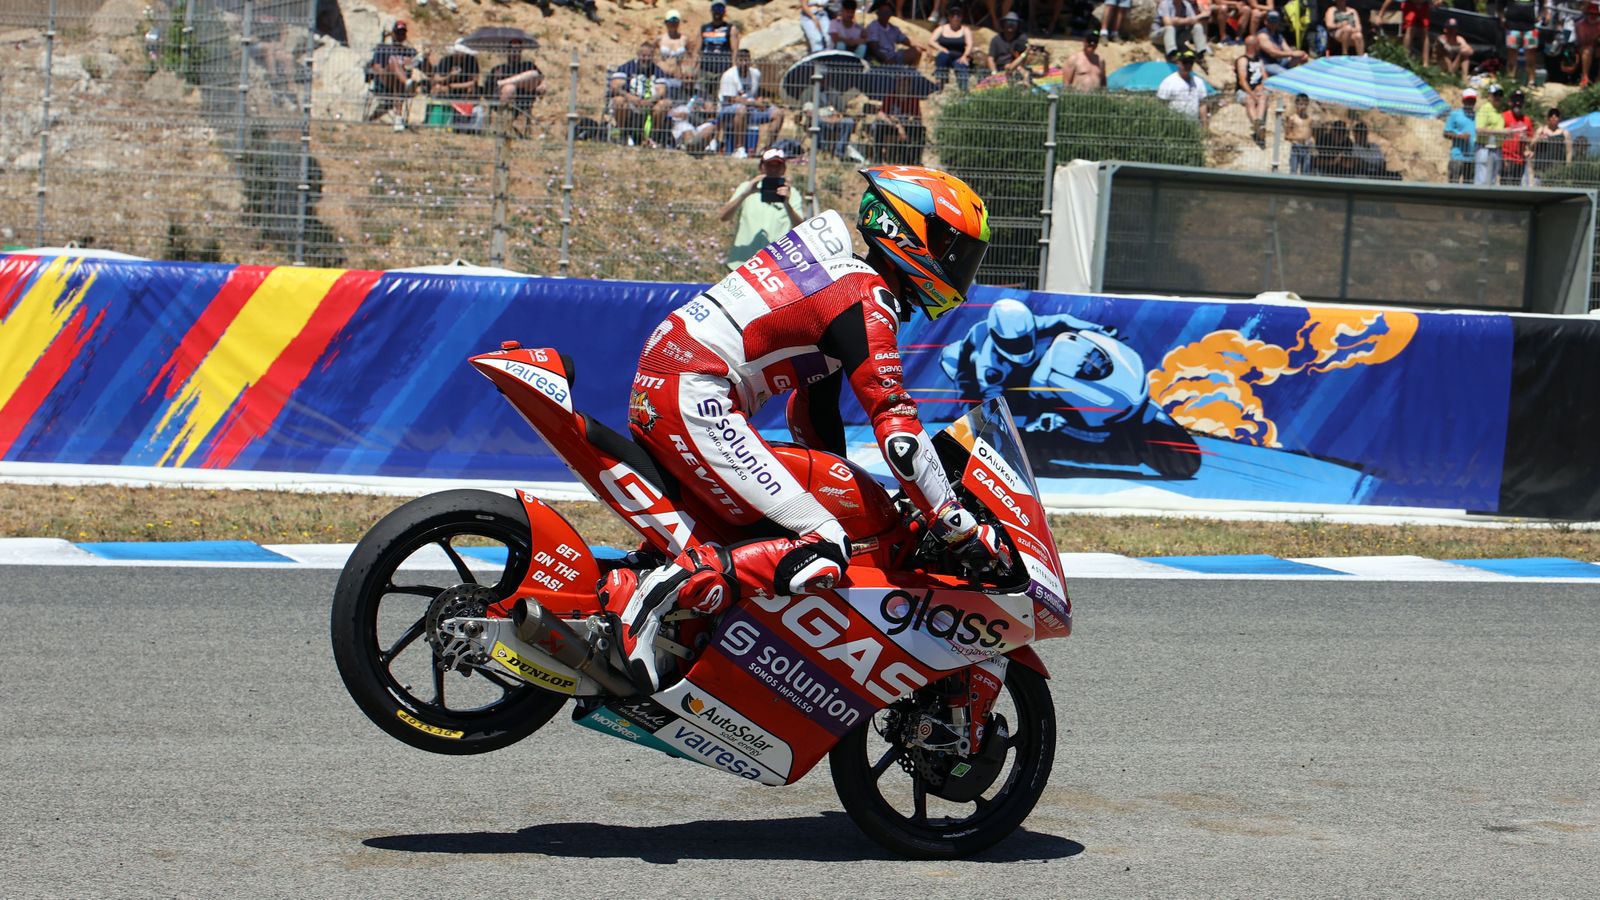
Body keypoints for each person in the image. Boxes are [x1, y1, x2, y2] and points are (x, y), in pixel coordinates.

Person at [606, 166, 1008, 693]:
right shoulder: (865, 297)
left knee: (769, 531)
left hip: (677, 380)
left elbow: (812, 414)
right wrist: (954, 521)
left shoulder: (838, 279)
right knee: (824, 545)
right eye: (955, 252)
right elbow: (899, 430)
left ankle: (649, 586)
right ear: (910, 232)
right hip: (694, 391)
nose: (960, 270)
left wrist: (855, 497)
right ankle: (656, 597)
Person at [939, 298, 1107, 404]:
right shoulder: (988, 365)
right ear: (996, 338)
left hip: (1020, 370)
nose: (1019, 348)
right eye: (1012, 344)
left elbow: (1064, 320)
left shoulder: (1034, 323)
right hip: (972, 368)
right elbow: (992, 399)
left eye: (1023, 341)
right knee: (969, 393)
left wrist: (1100, 329)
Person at [721, 147, 806, 267]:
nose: (773, 170)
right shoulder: (747, 187)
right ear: (761, 167)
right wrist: (745, 194)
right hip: (742, 264)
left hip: (774, 267)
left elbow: (801, 229)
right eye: (769, 165)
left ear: (784, 169)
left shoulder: (793, 194)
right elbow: (724, 217)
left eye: (778, 166)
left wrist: (787, 204)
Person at [718, 48, 787, 158]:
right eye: (741, 60)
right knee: (741, 110)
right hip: (729, 110)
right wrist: (754, 103)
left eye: (746, 60)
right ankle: (739, 148)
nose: (744, 63)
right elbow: (731, 99)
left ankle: (768, 149)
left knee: (778, 113)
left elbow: (757, 93)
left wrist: (761, 100)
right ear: (736, 61)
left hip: (751, 109)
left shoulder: (756, 74)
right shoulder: (729, 75)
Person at [610, 41, 672, 146]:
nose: (646, 59)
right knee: (619, 101)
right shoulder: (626, 67)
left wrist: (649, 101)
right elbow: (615, 86)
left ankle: (652, 137)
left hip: (649, 104)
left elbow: (662, 91)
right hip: (630, 102)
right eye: (643, 55)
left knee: (664, 104)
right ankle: (623, 133)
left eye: (649, 56)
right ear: (638, 54)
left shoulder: (658, 71)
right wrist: (631, 98)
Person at [366, 20, 420, 127]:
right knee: (394, 62)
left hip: (399, 84)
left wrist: (419, 59)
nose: (400, 36)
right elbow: (376, 67)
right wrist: (386, 72)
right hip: (385, 80)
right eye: (398, 33)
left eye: (402, 33)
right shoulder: (383, 48)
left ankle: (398, 119)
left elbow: (422, 65)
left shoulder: (409, 51)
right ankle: (407, 82)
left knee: (398, 83)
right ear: (393, 34)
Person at [487, 41, 543, 116]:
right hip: (502, 99)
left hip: (523, 98)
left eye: (518, 50)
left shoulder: (528, 66)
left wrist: (542, 85)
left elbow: (541, 79)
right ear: (508, 51)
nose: (515, 53)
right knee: (510, 88)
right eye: (513, 50)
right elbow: (490, 89)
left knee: (533, 73)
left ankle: (503, 83)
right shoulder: (499, 69)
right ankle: (504, 116)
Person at [929, 5, 975, 91]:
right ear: (949, 17)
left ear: (961, 17)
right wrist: (941, 48)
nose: (955, 17)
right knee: (942, 57)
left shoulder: (965, 29)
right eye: (953, 15)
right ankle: (940, 82)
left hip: (959, 55)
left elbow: (969, 44)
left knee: (961, 65)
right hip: (945, 54)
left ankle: (963, 89)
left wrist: (965, 56)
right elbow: (931, 41)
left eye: (958, 15)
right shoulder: (942, 28)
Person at [1157, 48, 1208, 123]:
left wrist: (1205, 124)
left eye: (1191, 62)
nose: (1188, 65)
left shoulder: (1199, 82)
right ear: (1178, 63)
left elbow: (1202, 104)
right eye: (1185, 62)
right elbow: (1161, 104)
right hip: (1174, 125)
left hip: (1193, 125)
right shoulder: (1168, 82)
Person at [698, 2, 739, 95]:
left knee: (721, 94)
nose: (717, 12)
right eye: (715, 9)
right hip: (705, 68)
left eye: (720, 9)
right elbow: (697, 50)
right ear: (711, 10)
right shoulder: (704, 28)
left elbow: (735, 50)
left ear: (724, 11)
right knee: (703, 94)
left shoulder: (730, 28)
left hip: (723, 68)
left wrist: (733, 68)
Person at [1236, 34, 1269, 145]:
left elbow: (1265, 77)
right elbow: (1242, 81)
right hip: (1244, 91)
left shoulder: (1259, 60)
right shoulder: (1243, 60)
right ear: (1254, 46)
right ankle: (1256, 123)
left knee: (1263, 97)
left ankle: (1259, 123)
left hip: (1258, 90)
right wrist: (1251, 93)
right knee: (1249, 100)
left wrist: (1261, 86)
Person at [1377, 0, 1431, 67]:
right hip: (1411, 5)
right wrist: (1380, 15)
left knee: (1425, 31)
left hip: (1424, 5)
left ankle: (1426, 63)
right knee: (1410, 29)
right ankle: (1405, 58)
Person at [1502, 0, 1543, 85]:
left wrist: (1540, 15)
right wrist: (1502, 18)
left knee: (1531, 56)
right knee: (1511, 55)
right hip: (1512, 26)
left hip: (1530, 27)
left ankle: (1531, 81)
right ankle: (1510, 79)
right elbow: (1500, 5)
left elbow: (1542, 3)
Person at [1474, 83, 1508, 185]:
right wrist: (1502, 132)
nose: (1498, 97)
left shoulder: (1498, 112)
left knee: (1492, 181)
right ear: (1489, 96)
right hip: (1484, 149)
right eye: (1495, 94)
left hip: (1496, 149)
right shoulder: (1485, 109)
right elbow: (1479, 129)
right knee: (1482, 181)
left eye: (1500, 95)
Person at [866, 2, 919, 66]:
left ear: (891, 14)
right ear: (878, 13)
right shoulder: (873, 27)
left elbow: (906, 41)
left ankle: (906, 70)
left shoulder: (893, 28)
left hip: (893, 56)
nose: (885, 14)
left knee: (916, 51)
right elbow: (874, 48)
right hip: (879, 60)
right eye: (883, 11)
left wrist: (922, 46)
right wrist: (886, 60)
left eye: (887, 12)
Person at [1443, 87, 1478, 183]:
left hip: (1472, 158)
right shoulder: (1455, 114)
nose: (1470, 102)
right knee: (1453, 185)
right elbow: (1446, 133)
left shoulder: (1478, 116)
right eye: (1468, 100)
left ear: (1475, 101)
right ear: (1463, 100)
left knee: (1469, 186)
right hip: (1457, 157)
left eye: (1472, 100)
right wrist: (1460, 136)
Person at [1500, 88, 1535, 185]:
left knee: (1516, 186)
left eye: (1520, 101)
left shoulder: (1527, 120)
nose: (1518, 103)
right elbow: (1498, 135)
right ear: (1510, 102)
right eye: (1515, 100)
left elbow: (1531, 139)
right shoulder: (1504, 116)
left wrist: (1526, 139)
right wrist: (1503, 157)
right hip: (1506, 158)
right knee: (1505, 185)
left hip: (1520, 160)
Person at [1531, 107, 1572, 184]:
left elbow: (1569, 152)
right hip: (1541, 169)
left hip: (1557, 169)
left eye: (1556, 115)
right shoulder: (1541, 130)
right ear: (1548, 118)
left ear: (1559, 118)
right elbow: (1531, 145)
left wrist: (1567, 167)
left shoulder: (1565, 133)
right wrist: (1539, 139)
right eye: (1551, 115)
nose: (1554, 117)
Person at [658, 10, 694, 85]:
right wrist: (663, 67)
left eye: (676, 21)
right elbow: (654, 58)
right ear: (666, 22)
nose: (673, 24)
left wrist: (686, 70)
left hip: (680, 75)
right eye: (671, 21)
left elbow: (691, 56)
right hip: (662, 74)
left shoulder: (684, 39)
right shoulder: (660, 39)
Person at [1285, 91, 1313, 174]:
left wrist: (1311, 140)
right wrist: (1299, 138)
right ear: (1296, 104)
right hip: (1296, 146)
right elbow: (1287, 136)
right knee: (1293, 171)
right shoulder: (1292, 118)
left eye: (1305, 104)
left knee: (1305, 172)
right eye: (1300, 104)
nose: (1303, 107)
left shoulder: (1310, 119)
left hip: (1307, 147)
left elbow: (1311, 134)